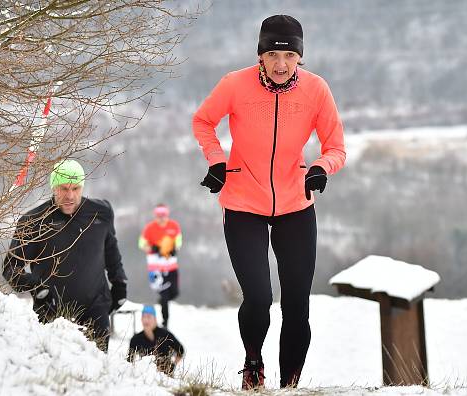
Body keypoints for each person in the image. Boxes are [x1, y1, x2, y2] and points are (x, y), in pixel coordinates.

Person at [192, 14, 346, 389]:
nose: (281, 64)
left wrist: (322, 168)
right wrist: (216, 160)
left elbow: (336, 147)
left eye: (290, 56)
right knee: (259, 298)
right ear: (260, 55)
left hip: (296, 205)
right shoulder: (235, 84)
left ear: (300, 58)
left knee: (297, 305)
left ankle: (290, 385)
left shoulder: (316, 90)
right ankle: (253, 363)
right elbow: (203, 121)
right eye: (273, 55)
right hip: (244, 204)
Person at [2, 159, 128, 351]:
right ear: (54, 187)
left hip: (96, 308)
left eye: (76, 189)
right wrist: (36, 288)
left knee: (97, 371)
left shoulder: (101, 213)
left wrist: (119, 283)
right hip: (52, 312)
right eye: (63, 188)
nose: (70, 195)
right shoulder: (34, 221)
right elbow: (10, 268)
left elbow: (111, 249)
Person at [138, 203, 183, 328]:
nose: (161, 218)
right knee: (164, 296)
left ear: (167, 215)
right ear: (155, 216)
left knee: (174, 293)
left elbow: (179, 241)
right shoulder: (149, 228)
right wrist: (153, 248)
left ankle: (163, 301)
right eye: (159, 215)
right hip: (156, 268)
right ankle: (165, 322)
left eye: (164, 215)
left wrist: (175, 248)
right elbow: (141, 244)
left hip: (171, 266)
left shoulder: (174, 226)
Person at [127, 305, 185, 376]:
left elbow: (181, 350)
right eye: (143, 317)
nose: (146, 320)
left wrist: (172, 366)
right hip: (145, 377)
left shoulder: (166, 335)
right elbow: (129, 361)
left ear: (155, 319)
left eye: (148, 317)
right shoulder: (136, 339)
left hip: (165, 377)